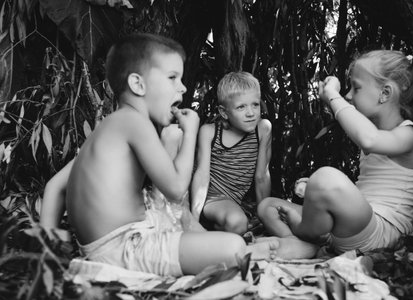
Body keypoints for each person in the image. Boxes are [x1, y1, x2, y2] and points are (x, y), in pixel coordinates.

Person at [40, 33, 278, 277]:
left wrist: (46, 257)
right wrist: (191, 133)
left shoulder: (108, 128)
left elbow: (54, 187)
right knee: (233, 247)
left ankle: (208, 243)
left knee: (185, 220)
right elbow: (175, 189)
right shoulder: (134, 121)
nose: (183, 87)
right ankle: (240, 250)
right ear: (138, 85)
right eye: (173, 78)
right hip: (126, 247)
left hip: (113, 242)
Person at [258, 50, 413, 255]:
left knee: (324, 178)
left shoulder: (411, 136)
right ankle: (298, 244)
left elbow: (369, 139)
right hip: (354, 227)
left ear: (385, 93)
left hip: (382, 233)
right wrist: (316, 193)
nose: (348, 95)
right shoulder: (375, 132)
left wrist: (332, 95)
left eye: (356, 88)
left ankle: (305, 231)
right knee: (267, 206)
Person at [190, 71, 272, 236]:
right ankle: (204, 230)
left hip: (233, 201)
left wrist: (264, 216)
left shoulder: (263, 129)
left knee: (264, 219)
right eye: (241, 107)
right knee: (237, 222)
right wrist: (193, 218)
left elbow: (262, 175)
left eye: (255, 104)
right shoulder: (210, 132)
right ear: (224, 112)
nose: (251, 113)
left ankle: (218, 230)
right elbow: (202, 176)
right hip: (210, 197)